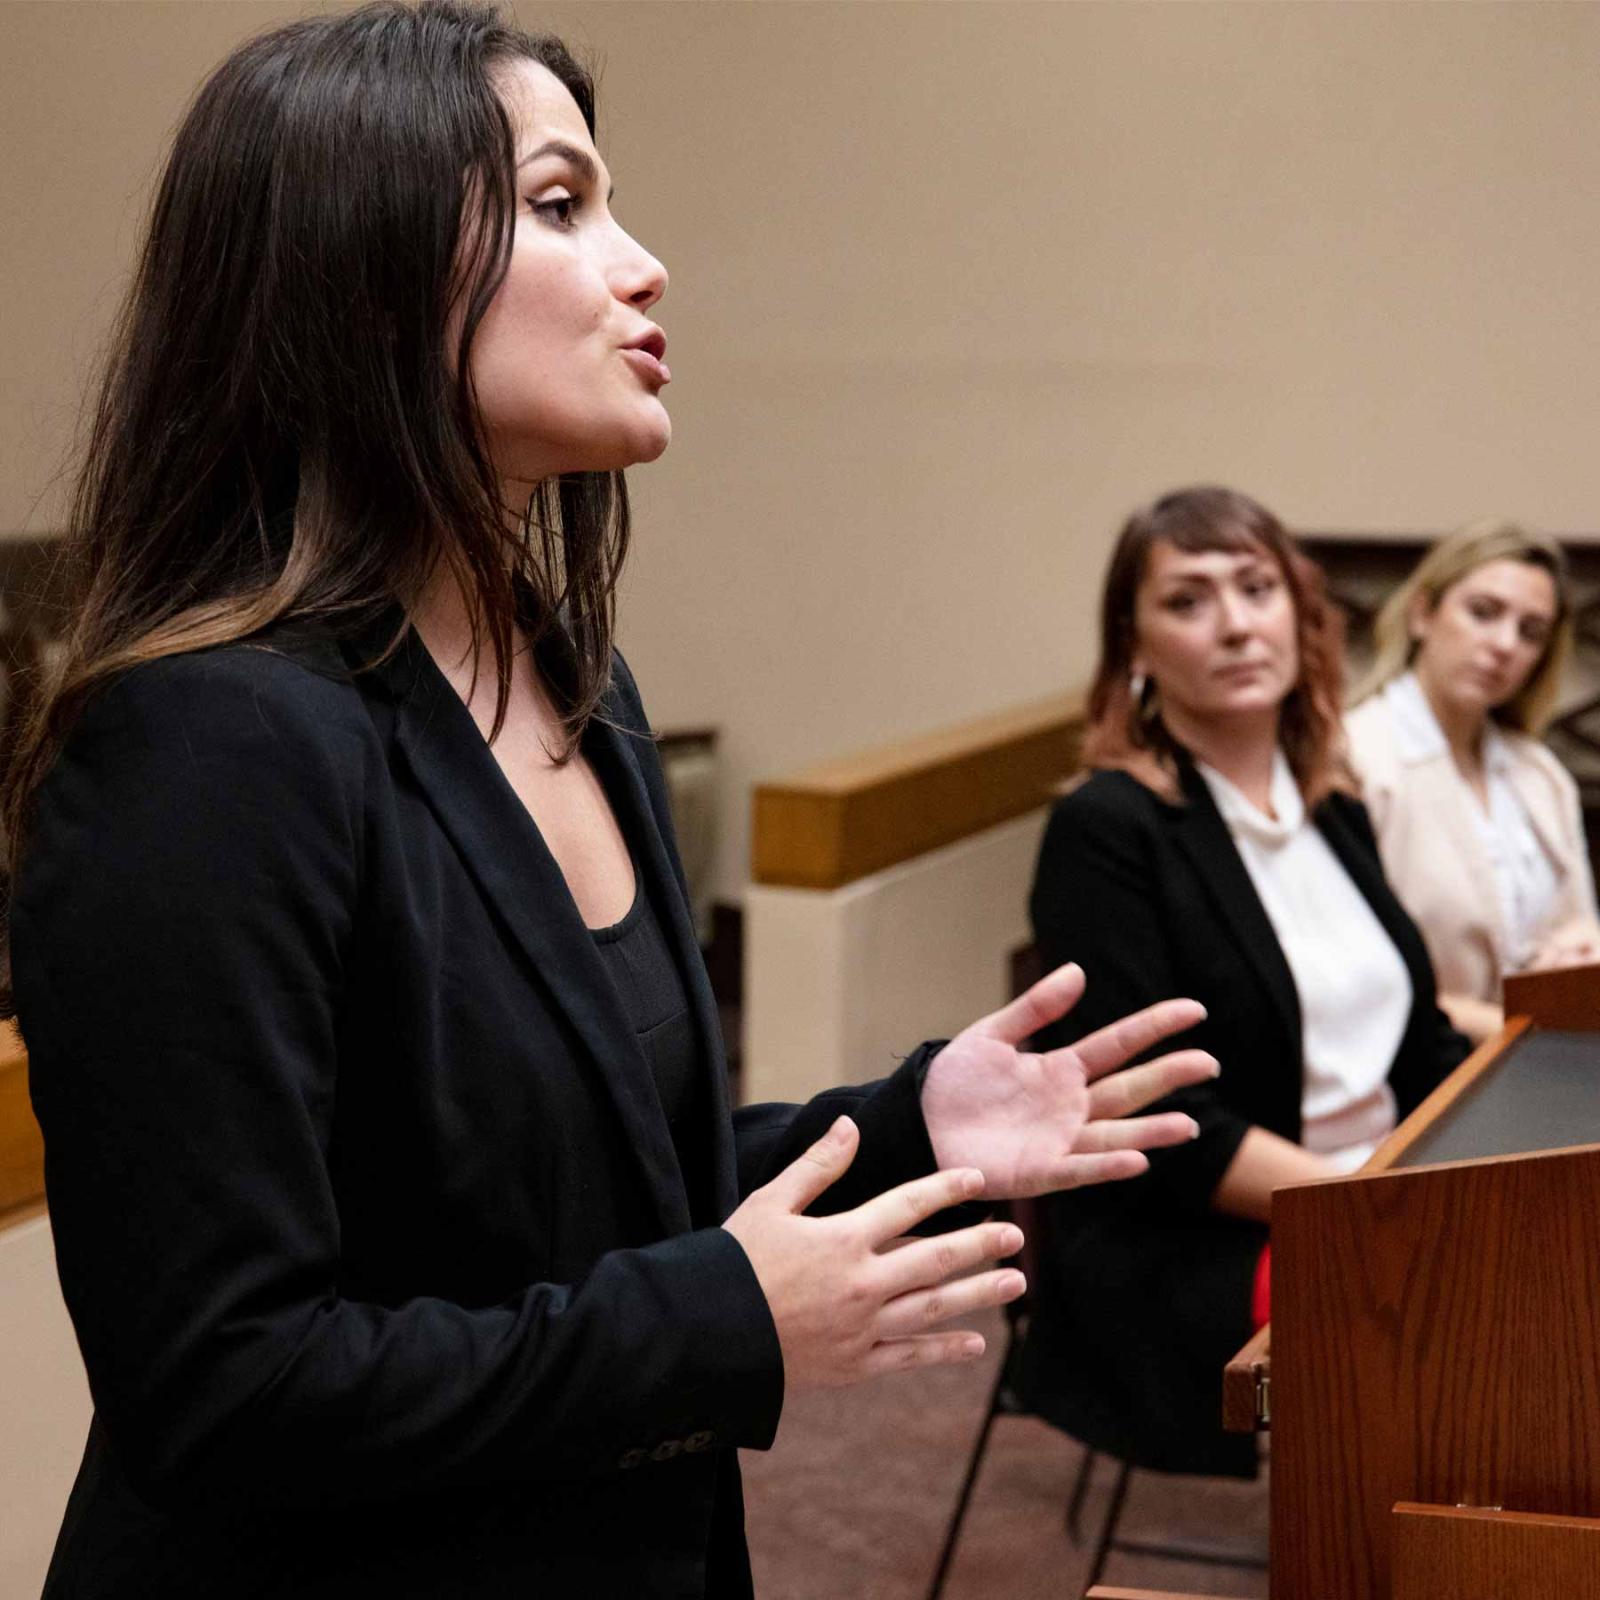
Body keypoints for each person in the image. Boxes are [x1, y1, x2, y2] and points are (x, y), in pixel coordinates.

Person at [1, 6, 1219, 1596]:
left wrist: (908, 1122)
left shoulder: (576, 681)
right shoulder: (203, 743)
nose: (646, 267)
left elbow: (599, 1182)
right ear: (358, 266)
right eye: (564, 204)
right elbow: (226, 1389)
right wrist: (724, 1323)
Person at [1017, 486, 1468, 1479]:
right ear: (1132, 649)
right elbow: (1173, 1126)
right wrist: (1382, 1206)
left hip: (1373, 1193)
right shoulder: (1108, 829)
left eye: (1255, 588)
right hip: (1205, 1236)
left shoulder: (1334, 813)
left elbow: (1423, 1043)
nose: (1231, 622)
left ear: (1300, 621)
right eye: (1186, 600)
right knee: (1496, 1316)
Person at [1346, 521, 1600, 1042]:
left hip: (1546, 1066)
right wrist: (1518, 1027)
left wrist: (1583, 955)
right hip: (1416, 1076)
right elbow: (1349, 982)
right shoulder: (1354, 758)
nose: (1505, 644)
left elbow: (1581, 928)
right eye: (1483, 613)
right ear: (1422, 614)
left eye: (1531, 631)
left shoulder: (1540, 773)